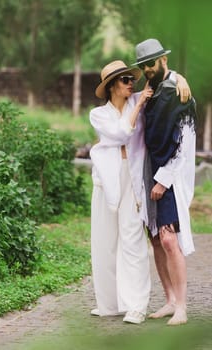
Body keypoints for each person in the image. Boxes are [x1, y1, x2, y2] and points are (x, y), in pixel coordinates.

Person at [89, 60, 190, 324]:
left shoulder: (139, 99)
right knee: (105, 242)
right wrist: (139, 106)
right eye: (125, 80)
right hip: (106, 181)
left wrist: (180, 78)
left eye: (131, 80)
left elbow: (163, 81)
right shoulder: (98, 115)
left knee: (133, 240)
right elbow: (122, 134)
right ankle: (109, 303)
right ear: (112, 87)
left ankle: (136, 305)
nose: (131, 84)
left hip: (134, 180)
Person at [132, 38, 196, 326]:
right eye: (143, 65)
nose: (147, 69)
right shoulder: (149, 91)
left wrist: (165, 179)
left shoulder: (178, 91)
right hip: (148, 172)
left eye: (151, 63)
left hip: (169, 173)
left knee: (170, 239)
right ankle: (169, 300)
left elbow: (186, 142)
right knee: (156, 239)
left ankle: (182, 306)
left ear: (163, 61)